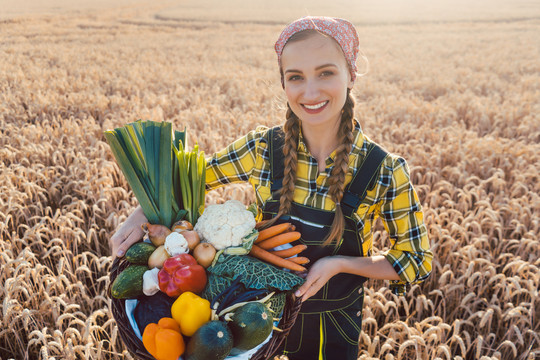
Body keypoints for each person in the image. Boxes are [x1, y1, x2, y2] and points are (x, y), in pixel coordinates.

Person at [110, 16, 432, 360]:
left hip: (332, 327)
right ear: (283, 83)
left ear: (351, 74)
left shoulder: (382, 169)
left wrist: (339, 264)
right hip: (252, 318)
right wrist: (144, 211)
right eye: (296, 77)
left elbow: (415, 259)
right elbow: (188, 178)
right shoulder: (262, 149)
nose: (310, 92)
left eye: (326, 73)